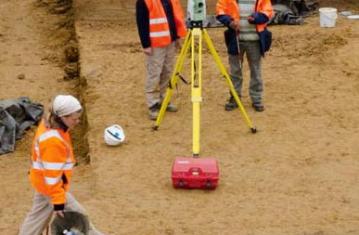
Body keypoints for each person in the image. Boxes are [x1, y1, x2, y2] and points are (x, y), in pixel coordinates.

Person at [19, 95, 104, 235]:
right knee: (81, 219)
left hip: (42, 182)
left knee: (36, 219)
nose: (77, 122)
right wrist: (59, 203)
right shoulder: (53, 141)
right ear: (62, 117)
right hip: (52, 188)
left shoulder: (51, 123)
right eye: (74, 118)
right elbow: (53, 178)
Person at [216, 0, 273, 112]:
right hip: (235, 40)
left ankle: (256, 99)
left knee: (255, 71)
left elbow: (268, 12)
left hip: (255, 41)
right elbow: (220, 11)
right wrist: (230, 22)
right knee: (235, 71)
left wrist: (256, 18)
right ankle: (235, 98)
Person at [136, 0, 187, 120]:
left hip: (170, 41)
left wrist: (177, 37)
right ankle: (153, 104)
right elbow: (141, 23)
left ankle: (165, 100)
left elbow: (173, 18)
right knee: (154, 74)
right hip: (155, 44)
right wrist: (146, 44)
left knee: (167, 72)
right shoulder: (144, 1)